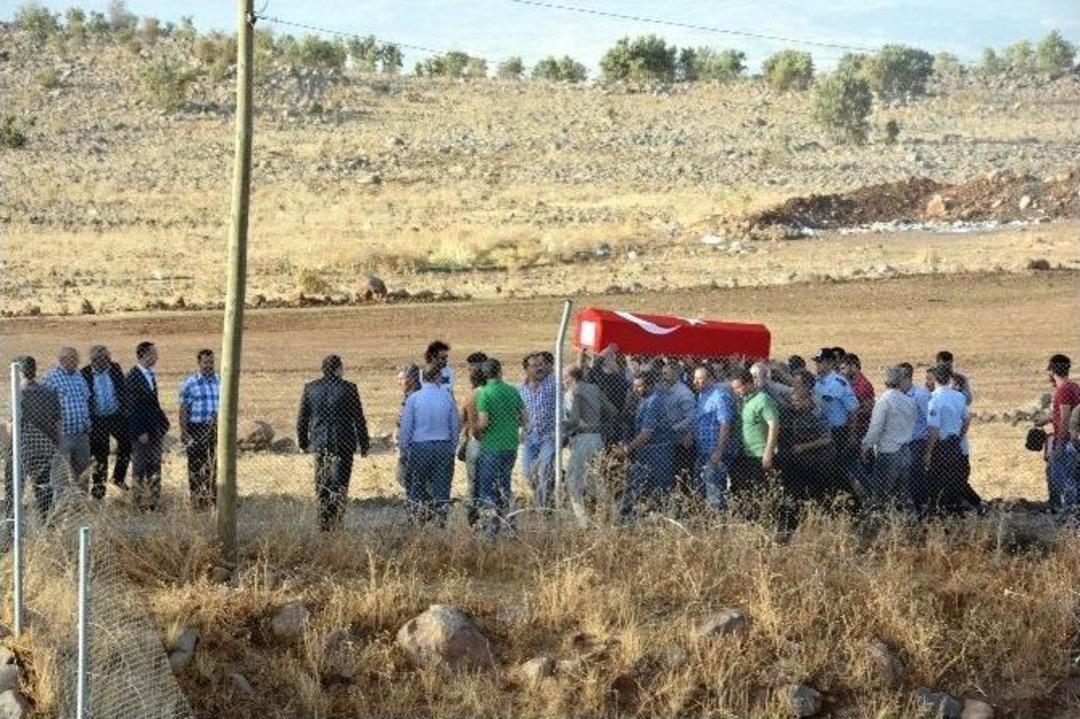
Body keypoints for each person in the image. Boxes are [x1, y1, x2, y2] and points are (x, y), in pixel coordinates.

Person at [297, 355, 370, 530]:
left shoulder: (311, 389)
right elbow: (358, 418)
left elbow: (302, 418)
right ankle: (337, 522)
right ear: (339, 369)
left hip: (320, 443)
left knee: (322, 483)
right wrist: (364, 444)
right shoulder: (349, 389)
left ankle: (323, 522)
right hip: (343, 443)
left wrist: (303, 442)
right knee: (340, 484)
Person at [399, 365, 460, 525]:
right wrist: (452, 447)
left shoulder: (414, 398)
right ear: (438, 377)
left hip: (420, 447)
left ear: (421, 378)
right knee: (442, 487)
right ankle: (440, 523)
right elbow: (455, 425)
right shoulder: (447, 397)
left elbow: (406, 428)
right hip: (443, 446)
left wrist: (405, 449)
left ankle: (416, 522)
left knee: (417, 486)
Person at [474, 358, 527, 537]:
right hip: (510, 444)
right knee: (505, 485)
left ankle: (491, 527)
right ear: (500, 372)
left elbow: (484, 421)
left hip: (491, 446)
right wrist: (512, 423)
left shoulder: (484, 393)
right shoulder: (512, 391)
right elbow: (525, 418)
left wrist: (474, 430)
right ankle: (511, 523)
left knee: (488, 487)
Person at [776, 371, 838, 525]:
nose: (794, 404)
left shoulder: (816, 414)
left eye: (797, 401)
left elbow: (827, 438)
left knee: (818, 493)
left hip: (819, 461)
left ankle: (821, 520)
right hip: (803, 461)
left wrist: (804, 446)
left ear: (806, 400)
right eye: (793, 401)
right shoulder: (797, 413)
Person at [7, 357, 61, 522]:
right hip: (45, 448)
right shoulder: (49, 393)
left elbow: (13, 425)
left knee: (14, 491)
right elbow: (57, 422)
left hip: (22, 449)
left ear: (19, 372)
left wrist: (8, 448)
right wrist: (54, 445)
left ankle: (11, 527)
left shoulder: (19, 394)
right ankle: (48, 526)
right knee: (45, 491)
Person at [562, 364, 617, 524]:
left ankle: (583, 521)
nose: (563, 381)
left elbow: (573, 419)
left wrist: (560, 427)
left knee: (572, 480)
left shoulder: (574, 392)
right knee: (593, 477)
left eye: (564, 378)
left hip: (583, 438)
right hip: (597, 437)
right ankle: (611, 511)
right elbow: (612, 410)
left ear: (571, 378)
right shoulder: (594, 388)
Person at [923, 364, 980, 515]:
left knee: (937, 481)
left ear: (935, 378)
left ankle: (941, 511)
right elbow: (966, 420)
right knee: (953, 480)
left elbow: (934, 429)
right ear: (949, 378)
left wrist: (928, 452)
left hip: (940, 446)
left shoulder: (934, 398)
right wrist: (959, 436)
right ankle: (956, 509)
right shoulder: (959, 396)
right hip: (955, 443)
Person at [618, 371, 675, 519]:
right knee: (637, 483)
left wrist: (627, 449)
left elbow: (646, 433)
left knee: (660, 488)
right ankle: (627, 515)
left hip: (658, 451)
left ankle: (660, 519)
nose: (636, 390)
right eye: (634, 386)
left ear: (649, 385)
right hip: (647, 451)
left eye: (640, 386)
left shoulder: (654, 401)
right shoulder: (645, 398)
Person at [860, 366, 917, 510]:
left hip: (888, 452)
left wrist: (865, 446)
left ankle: (883, 524)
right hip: (905, 451)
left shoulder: (884, 401)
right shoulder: (909, 401)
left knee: (882, 493)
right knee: (903, 492)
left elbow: (875, 429)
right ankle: (908, 522)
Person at [81, 345, 130, 497]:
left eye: (109, 359)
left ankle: (118, 477)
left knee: (127, 443)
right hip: (97, 419)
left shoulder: (115, 368)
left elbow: (122, 389)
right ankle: (98, 491)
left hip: (116, 416)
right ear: (94, 360)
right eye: (104, 360)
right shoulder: (85, 373)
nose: (108, 362)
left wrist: (125, 409)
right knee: (101, 454)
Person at [126, 341, 170, 512]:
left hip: (154, 429)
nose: (156, 356)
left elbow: (153, 404)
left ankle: (154, 503)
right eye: (153, 353)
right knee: (140, 468)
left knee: (155, 465)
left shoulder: (150, 374)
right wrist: (139, 432)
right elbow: (131, 408)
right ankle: (137, 504)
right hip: (142, 432)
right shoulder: (133, 377)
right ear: (143, 355)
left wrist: (162, 425)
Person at [44, 346, 93, 487]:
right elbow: (46, 407)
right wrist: (53, 430)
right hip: (62, 434)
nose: (78, 361)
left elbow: (86, 399)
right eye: (74, 358)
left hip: (81, 433)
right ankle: (62, 506)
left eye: (77, 358)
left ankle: (80, 505)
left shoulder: (79, 376)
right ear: (62, 359)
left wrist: (87, 423)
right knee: (61, 474)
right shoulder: (51, 378)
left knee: (83, 472)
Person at [692, 365, 739, 512]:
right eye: (695, 378)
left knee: (714, 488)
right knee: (700, 485)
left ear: (710, 379)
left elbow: (725, 423)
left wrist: (719, 450)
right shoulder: (702, 395)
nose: (696, 382)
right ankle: (705, 520)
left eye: (700, 379)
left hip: (716, 450)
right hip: (704, 449)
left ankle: (718, 523)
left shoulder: (720, 395)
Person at [178, 349, 220, 510]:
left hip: (215, 428)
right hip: (196, 427)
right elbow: (183, 410)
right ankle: (196, 500)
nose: (209, 365)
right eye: (205, 362)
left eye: (211, 362)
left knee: (214, 464)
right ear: (199, 363)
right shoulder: (190, 383)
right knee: (196, 465)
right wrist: (184, 432)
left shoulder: (219, 381)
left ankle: (212, 498)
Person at [730, 368, 780, 503]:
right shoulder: (743, 402)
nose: (736, 391)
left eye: (738, 387)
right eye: (734, 388)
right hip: (745, 453)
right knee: (747, 492)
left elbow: (774, 425)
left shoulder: (763, 399)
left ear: (749, 384)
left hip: (760, 455)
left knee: (764, 492)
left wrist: (768, 452)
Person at [812, 348, 859, 490]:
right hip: (820, 430)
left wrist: (851, 435)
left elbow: (853, 410)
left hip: (837, 432)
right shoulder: (816, 382)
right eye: (817, 362)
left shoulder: (839, 383)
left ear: (830, 363)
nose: (818, 365)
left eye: (821, 362)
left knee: (837, 469)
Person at [1039, 354, 1080, 511]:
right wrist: (1048, 419)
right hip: (1074, 439)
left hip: (1066, 441)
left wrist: (1059, 444)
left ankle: (1066, 510)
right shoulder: (1075, 387)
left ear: (1051, 371)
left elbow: (1065, 418)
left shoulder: (1062, 391)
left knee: (1061, 477)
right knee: (1070, 475)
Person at [518, 352, 557, 510]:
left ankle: (543, 507)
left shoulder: (552, 384)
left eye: (540, 364)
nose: (539, 368)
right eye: (534, 366)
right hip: (529, 437)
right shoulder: (520, 389)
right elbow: (518, 412)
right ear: (526, 369)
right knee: (528, 473)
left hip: (549, 436)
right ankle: (543, 497)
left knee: (544, 470)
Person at [458, 353, 488, 526]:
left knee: (473, 484)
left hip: (475, 444)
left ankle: (474, 520)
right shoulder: (496, 394)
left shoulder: (470, 396)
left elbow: (460, 421)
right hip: (496, 444)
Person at [898, 362, 931, 513]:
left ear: (906, 377)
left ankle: (921, 509)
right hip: (902, 443)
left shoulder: (921, 395)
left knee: (915, 476)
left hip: (918, 442)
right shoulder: (897, 395)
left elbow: (931, 421)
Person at [660, 362, 697, 497]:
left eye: (666, 373)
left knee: (683, 474)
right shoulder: (666, 390)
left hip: (683, 441)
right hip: (671, 440)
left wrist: (674, 428)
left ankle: (686, 500)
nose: (662, 376)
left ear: (675, 374)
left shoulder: (683, 393)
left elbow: (692, 417)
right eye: (662, 373)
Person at [582, 344, 629, 445]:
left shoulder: (619, 377)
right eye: (609, 359)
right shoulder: (599, 377)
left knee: (613, 442)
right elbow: (594, 368)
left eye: (612, 358)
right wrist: (605, 352)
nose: (610, 361)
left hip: (616, 418)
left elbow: (626, 384)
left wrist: (606, 354)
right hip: (602, 418)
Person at [393, 363, 421, 489]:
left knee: (403, 475)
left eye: (401, 379)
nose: (398, 383)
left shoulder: (415, 397)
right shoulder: (410, 396)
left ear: (412, 379)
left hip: (414, 446)